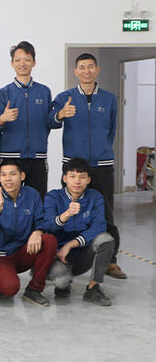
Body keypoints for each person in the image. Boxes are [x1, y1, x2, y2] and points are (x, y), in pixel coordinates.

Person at [50, 53, 125, 279]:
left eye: (90, 66)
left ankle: (110, 261)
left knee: (106, 212)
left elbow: (111, 130)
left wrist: (101, 150)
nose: (86, 71)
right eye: (82, 67)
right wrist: (60, 114)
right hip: (74, 165)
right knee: (68, 210)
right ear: (76, 71)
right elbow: (50, 121)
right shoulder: (65, 97)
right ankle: (64, 254)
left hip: (102, 164)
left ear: (97, 69)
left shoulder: (109, 99)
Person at [0, 159, 57, 306]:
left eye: (12, 174)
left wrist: (38, 231)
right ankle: (4, 280)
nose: (8, 178)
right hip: (0, 255)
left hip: (24, 250)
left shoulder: (32, 194)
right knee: (9, 289)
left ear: (22, 176)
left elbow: (42, 219)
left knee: (49, 240)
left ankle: (34, 290)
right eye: (3, 175)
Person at [0, 41, 62, 197]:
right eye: (18, 60)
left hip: (38, 157)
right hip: (11, 158)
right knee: (8, 201)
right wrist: (2, 119)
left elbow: (50, 123)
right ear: (12, 63)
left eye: (27, 60)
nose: (22, 63)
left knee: (38, 200)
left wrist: (59, 116)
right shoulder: (3, 93)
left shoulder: (43, 91)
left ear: (34, 62)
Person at [45, 158, 115, 306]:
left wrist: (71, 244)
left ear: (88, 180)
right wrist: (65, 215)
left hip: (83, 253)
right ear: (65, 178)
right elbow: (48, 227)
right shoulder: (53, 197)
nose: (77, 181)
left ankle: (93, 288)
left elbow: (99, 227)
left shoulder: (95, 197)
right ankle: (64, 282)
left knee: (105, 239)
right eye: (72, 176)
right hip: (60, 255)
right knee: (61, 282)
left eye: (82, 177)